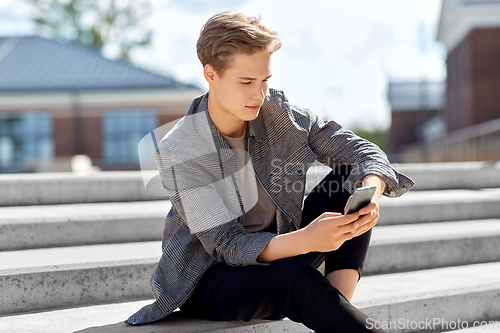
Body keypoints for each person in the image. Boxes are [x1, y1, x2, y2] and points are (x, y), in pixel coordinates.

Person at [126, 11, 414, 333]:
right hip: (211, 278)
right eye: (246, 82)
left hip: (282, 250)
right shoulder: (182, 148)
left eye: (264, 80)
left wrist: (372, 190)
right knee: (293, 278)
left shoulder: (276, 112)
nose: (258, 95)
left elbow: (360, 152)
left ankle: (336, 309)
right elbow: (228, 246)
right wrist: (305, 239)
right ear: (211, 75)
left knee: (350, 179)